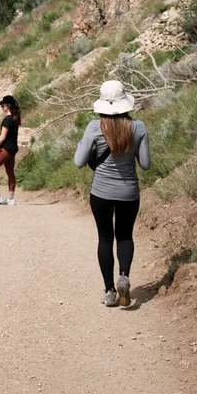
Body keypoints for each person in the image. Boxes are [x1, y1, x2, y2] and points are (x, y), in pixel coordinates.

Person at [74, 80, 151, 308]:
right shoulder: (139, 127)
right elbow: (145, 164)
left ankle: (109, 291)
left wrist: (83, 146)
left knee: (105, 238)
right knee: (125, 236)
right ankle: (124, 276)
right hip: (129, 192)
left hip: (101, 193)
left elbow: (79, 162)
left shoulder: (93, 128)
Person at [0, 95, 21, 206]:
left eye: (2, 106)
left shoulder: (7, 119)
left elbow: (2, 137)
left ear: (7, 106)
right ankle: (10, 199)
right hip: (13, 149)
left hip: (6, 149)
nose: (1, 107)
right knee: (10, 172)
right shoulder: (15, 118)